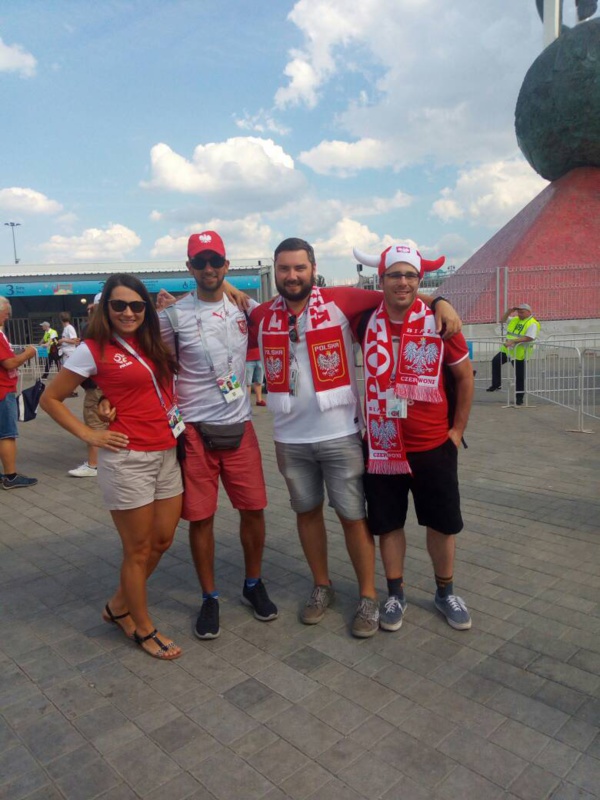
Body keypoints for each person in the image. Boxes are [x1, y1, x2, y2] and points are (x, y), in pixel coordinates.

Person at [249, 238, 461, 638]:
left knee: (353, 516)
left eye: (299, 267)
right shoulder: (261, 315)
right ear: (273, 271)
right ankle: (322, 586)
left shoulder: (341, 300)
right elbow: (222, 313)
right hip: (289, 438)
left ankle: (368, 596)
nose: (292, 275)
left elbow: (398, 292)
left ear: (313, 269)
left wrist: (440, 301)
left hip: (341, 433)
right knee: (306, 512)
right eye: (284, 268)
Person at [40, 274, 184, 660]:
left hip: (167, 451)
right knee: (137, 549)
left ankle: (118, 605)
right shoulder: (93, 348)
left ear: (146, 308)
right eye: (119, 305)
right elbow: (51, 399)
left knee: (162, 540)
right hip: (128, 459)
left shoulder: (152, 342)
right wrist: (90, 434)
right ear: (106, 309)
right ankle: (142, 626)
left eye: (136, 305)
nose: (128, 312)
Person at [159, 231, 278, 641]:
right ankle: (209, 596)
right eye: (200, 262)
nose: (208, 268)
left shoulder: (247, 309)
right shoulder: (172, 316)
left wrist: (435, 301)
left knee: (254, 509)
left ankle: (252, 583)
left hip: (240, 426)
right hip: (194, 431)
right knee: (201, 517)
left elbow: (294, 309)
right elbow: (160, 367)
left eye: (215, 261)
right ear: (189, 267)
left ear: (227, 265)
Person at [353, 241, 474, 631]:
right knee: (388, 525)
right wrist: (439, 298)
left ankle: (445, 592)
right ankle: (396, 594)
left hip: (433, 445)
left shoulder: (441, 323)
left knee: (442, 524)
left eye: (410, 275)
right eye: (394, 275)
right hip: (382, 444)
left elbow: (464, 378)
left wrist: (456, 432)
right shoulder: (363, 320)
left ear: (419, 279)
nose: (402, 283)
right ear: (381, 279)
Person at [0, 295, 39, 490]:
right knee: (7, 434)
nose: (8, 317)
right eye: (6, 314)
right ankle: (11, 476)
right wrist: (28, 353)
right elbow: (9, 363)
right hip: (2, 389)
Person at [68, 295, 106, 478]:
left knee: (94, 422)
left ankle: (94, 464)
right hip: (109, 382)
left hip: (96, 383)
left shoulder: (94, 326)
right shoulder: (119, 328)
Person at [487, 303, 540, 405]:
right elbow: (502, 320)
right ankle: (496, 384)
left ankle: (519, 397)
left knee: (519, 376)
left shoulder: (532, 323)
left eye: (522, 312)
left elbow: (529, 337)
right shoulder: (515, 319)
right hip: (507, 350)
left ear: (529, 312)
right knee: (495, 361)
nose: (519, 314)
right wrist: (509, 311)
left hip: (520, 353)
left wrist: (513, 341)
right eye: (518, 312)